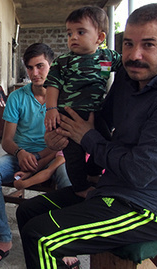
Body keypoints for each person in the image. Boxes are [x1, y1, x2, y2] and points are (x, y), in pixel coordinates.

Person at [16, 4, 157, 269]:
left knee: (41, 235)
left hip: (147, 208)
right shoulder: (128, 76)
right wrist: (59, 137)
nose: (134, 55)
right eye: (129, 44)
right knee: (27, 212)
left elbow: (139, 171)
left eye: (148, 45)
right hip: (111, 188)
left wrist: (86, 137)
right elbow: (99, 120)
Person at [0, 43, 71, 268]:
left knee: (69, 179)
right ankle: (3, 238)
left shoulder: (64, 97)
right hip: (21, 156)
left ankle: (65, 243)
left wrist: (38, 159)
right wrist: (20, 154)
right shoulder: (17, 97)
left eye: (40, 66)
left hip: (52, 157)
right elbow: (7, 140)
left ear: (52, 66)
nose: (35, 73)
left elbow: (66, 142)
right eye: (30, 68)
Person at [44, 6, 121, 194]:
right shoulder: (63, 61)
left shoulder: (107, 58)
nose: (73, 38)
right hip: (67, 115)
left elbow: (128, 66)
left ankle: (94, 173)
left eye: (80, 32)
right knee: (73, 154)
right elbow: (52, 85)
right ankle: (80, 188)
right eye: (70, 33)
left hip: (96, 112)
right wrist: (51, 109)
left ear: (100, 38)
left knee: (105, 143)